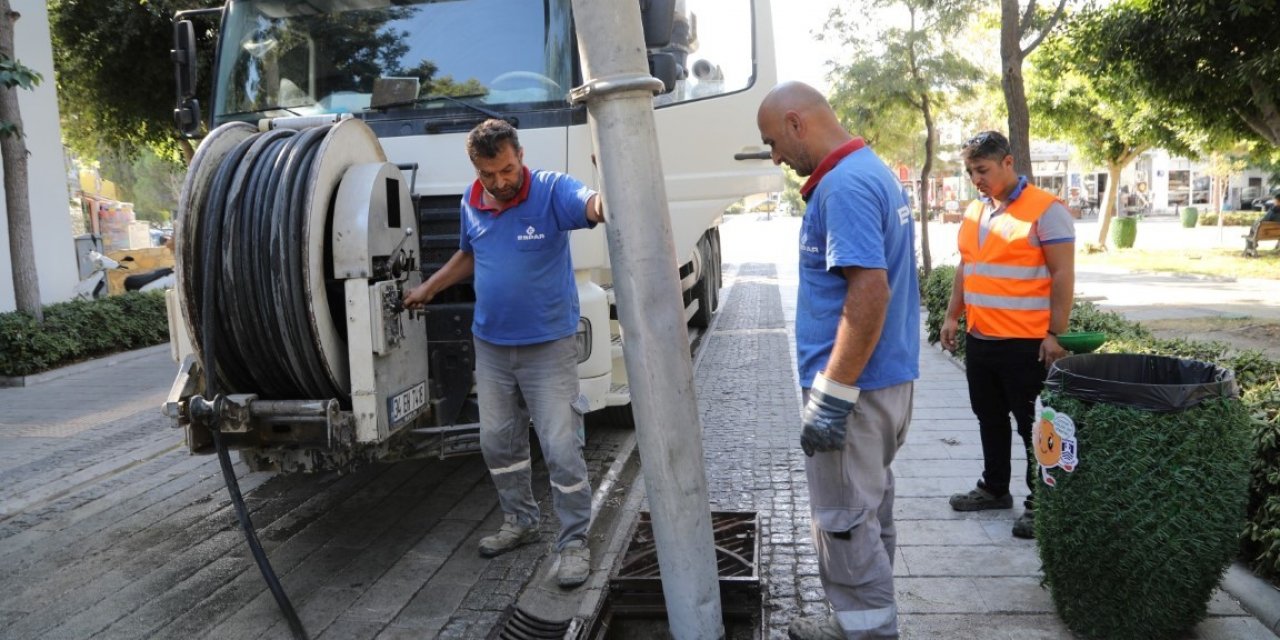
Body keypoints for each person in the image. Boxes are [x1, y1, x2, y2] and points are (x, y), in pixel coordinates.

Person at [403, 118, 605, 588]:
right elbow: (471, 253)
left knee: (561, 447)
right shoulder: (471, 200)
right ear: (476, 169)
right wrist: (429, 288)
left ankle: (574, 541)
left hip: (548, 346)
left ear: (521, 156)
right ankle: (521, 520)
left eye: (507, 170)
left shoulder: (552, 190)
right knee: (497, 441)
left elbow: (594, 207)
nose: (499, 182)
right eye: (488, 174)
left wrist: (610, 184)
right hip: (491, 345)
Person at [757, 81, 919, 640]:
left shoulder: (845, 185)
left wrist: (831, 395)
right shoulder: (869, 171)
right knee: (867, 510)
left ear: (796, 123)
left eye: (773, 142)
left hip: (856, 390)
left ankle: (866, 631)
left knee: (844, 521)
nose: (775, 156)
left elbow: (869, 292)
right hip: (883, 382)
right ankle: (864, 620)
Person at [941, 131, 1075, 540]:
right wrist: (952, 316)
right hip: (982, 337)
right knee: (989, 417)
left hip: (1027, 342)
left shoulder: (1046, 210)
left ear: (1008, 163)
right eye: (970, 172)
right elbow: (966, 266)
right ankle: (995, 487)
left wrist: (1055, 333)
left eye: (982, 170)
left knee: (1033, 425)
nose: (975, 179)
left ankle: (1042, 503)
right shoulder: (975, 211)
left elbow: (1063, 275)